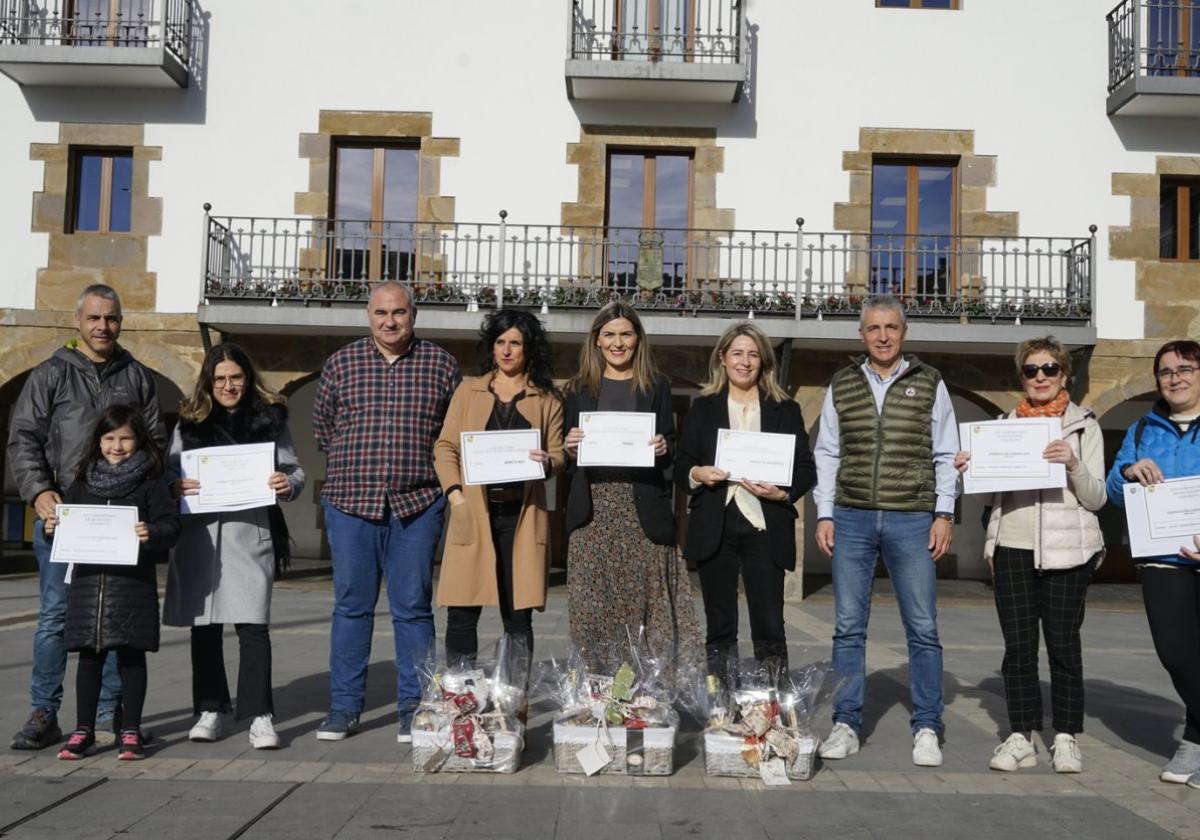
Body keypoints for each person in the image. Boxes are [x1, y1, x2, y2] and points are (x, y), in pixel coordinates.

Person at [7, 284, 164, 751]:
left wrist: (149, 500)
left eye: (111, 318)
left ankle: (109, 714)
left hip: (121, 524)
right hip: (65, 519)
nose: (103, 327)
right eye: (94, 318)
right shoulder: (50, 374)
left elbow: (154, 444)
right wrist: (38, 491)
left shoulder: (137, 376)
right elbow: (23, 439)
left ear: (121, 321)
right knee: (56, 616)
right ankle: (44, 711)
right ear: (78, 321)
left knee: (114, 618)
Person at [813, 295, 960, 768]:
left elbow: (945, 453)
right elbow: (828, 453)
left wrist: (944, 513)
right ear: (861, 335)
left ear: (904, 332)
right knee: (847, 628)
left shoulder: (930, 382)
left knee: (922, 628)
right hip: (852, 516)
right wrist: (825, 513)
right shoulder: (842, 383)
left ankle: (927, 726)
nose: (882, 336)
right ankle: (846, 723)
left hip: (911, 517)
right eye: (874, 328)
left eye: (891, 328)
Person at [311, 281, 461, 743]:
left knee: (413, 610)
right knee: (351, 608)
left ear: (413, 315)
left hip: (416, 506)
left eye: (398, 312)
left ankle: (414, 708)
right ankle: (343, 709)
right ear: (368, 316)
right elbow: (323, 430)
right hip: (352, 504)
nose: (389, 321)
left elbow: (451, 433)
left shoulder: (441, 364)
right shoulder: (341, 363)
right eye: (380, 313)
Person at [954, 337, 1105, 774]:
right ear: (1021, 376)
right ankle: (1020, 735)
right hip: (1012, 548)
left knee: (1063, 647)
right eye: (1031, 370)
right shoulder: (1002, 426)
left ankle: (1065, 736)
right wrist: (971, 466)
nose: (1041, 377)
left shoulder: (1084, 426)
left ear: (1065, 374)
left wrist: (1073, 464)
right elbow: (989, 493)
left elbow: (1096, 499)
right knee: (1017, 649)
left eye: (1050, 369)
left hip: (1069, 551)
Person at [163, 343, 306, 750]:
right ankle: (210, 709)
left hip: (249, 533)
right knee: (204, 626)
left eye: (236, 377)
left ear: (248, 378)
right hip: (201, 536)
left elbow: (295, 470)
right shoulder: (188, 422)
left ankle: (260, 715)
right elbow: (170, 471)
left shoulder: (270, 419)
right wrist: (173, 486)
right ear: (209, 381)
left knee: (253, 626)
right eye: (220, 378)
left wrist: (287, 484)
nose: (229, 386)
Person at [562, 301, 702, 675]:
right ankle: (598, 692)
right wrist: (569, 445)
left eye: (625, 334)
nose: (617, 342)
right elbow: (568, 455)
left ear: (638, 340)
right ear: (596, 341)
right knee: (593, 608)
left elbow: (670, 443)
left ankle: (646, 693)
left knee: (645, 608)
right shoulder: (577, 389)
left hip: (642, 509)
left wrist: (663, 447)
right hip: (593, 511)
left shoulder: (657, 386)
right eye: (609, 335)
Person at [676, 322, 817, 682]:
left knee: (769, 627)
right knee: (720, 627)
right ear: (722, 358)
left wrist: (782, 493)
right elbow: (681, 464)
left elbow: (805, 468)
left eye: (753, 354)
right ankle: (722, 709)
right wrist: (698, 474)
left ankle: (772, 711)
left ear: (763, 362)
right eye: (737, 353)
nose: (745, 361)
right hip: (716, 525)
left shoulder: (785, 409)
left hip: (765, 526)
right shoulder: (703, 408)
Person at [434, 309, 564, 669]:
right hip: (473, 511)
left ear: (529, 349)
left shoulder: (548, 399)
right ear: (491, 347)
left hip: (520, 518)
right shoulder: (467, 390)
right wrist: (456, 496)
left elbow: (559, 455)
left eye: (516, 343)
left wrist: (549, 463)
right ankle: (462, 700)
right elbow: (445, 447)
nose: (507, 350)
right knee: (461, 612)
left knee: (518, 618)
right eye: (500, 342)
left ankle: (513, 707)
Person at [48, 405, 179, 761]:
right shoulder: (82, 482)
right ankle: (83, 731)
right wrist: (53, 529)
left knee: (131, 657)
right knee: (88, 658)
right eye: (109, 438)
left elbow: (171, 526)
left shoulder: (151, 483)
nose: (117, 446)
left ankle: (131, 731)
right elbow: (64, 528)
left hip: (131, 586)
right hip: (88, 588)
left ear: (139, 441)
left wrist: (150, 532)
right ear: (98, 441)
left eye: (125, 438)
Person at [1106, 339, 1200, 785]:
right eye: (1165, 371)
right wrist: (1128, 472)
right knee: (1176, 654)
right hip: (1163, 558)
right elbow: (1112, 489)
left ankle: (1195, 740)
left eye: (1185, 369)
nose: (1175, 378)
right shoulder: (1143, 429)